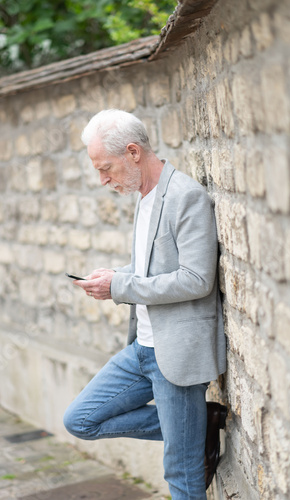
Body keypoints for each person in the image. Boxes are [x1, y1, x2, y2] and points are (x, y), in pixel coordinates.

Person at [63, 109, 227, 499]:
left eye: (107, 168)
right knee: (80, 420)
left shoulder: (185, 196)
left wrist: (120, 285)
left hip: (176, 357)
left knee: (181, 477)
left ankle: (190, 425)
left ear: (133, 153)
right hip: (141, 350)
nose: (103, 180)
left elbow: (197, 279)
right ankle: (197, 423)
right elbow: (150, 268)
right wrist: (113, 276)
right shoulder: (144, 195)